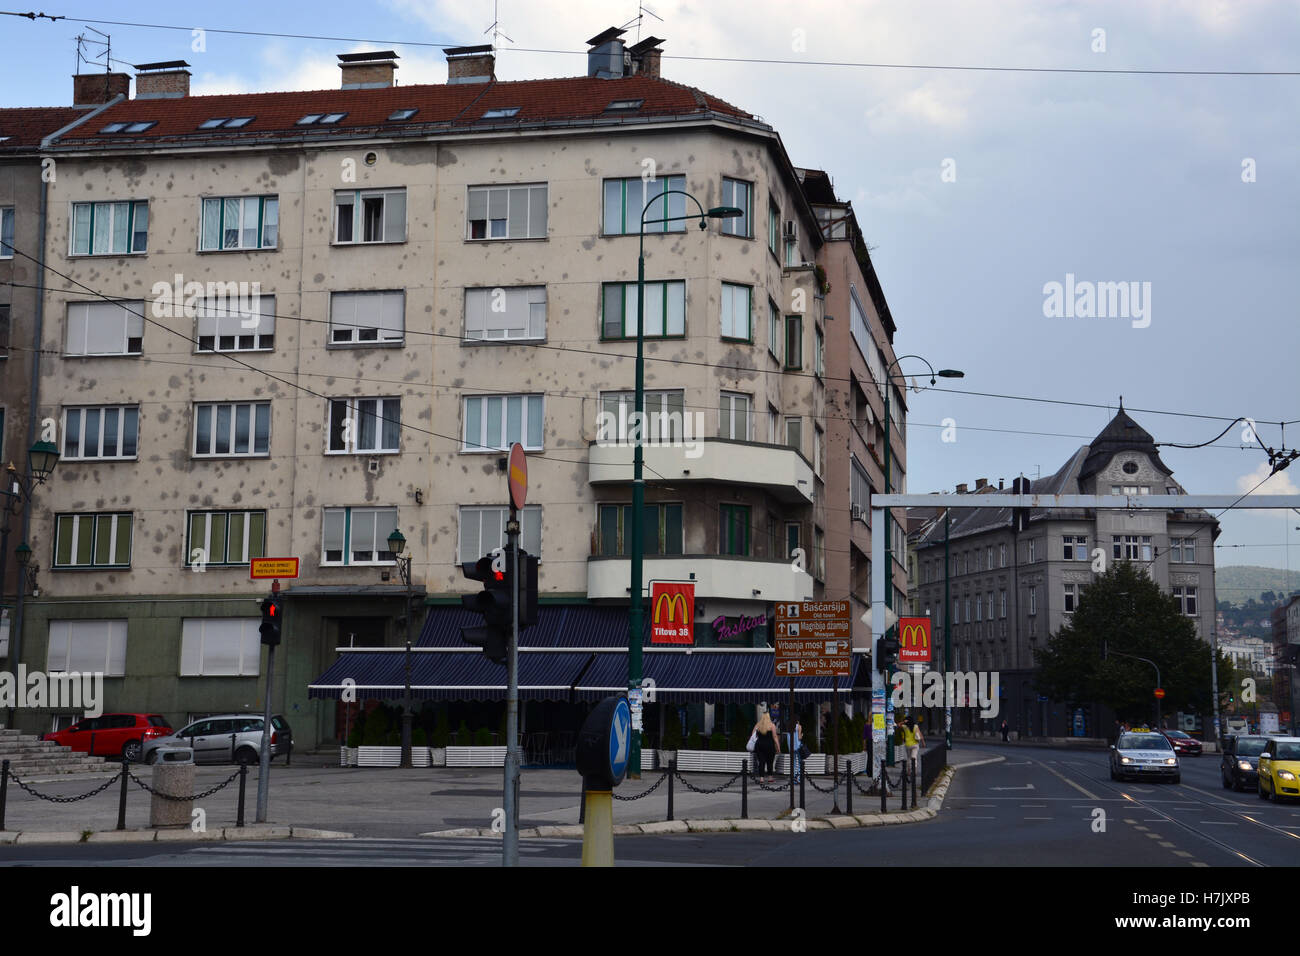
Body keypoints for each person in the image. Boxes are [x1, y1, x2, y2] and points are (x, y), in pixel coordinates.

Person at [751, 710, 780, 783]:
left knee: (761, 762)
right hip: (769, 745)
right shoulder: (772, 725)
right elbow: (775, 737)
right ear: (769, 717)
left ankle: (761, 778)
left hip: (759, 745)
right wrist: (778, 746)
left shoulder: (758, 725)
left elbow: (752, 734)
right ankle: (770, 778)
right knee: (770, 762)